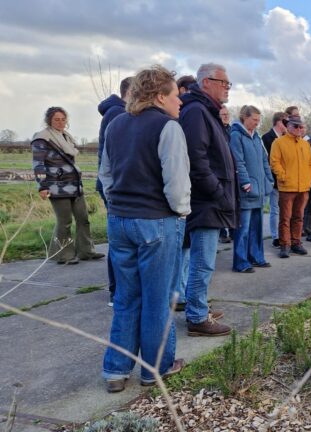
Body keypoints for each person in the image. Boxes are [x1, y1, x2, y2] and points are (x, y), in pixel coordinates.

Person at [99, 65, 189, 393]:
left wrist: (118, 206)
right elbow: (176, 182)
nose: (180, 102)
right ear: (159, 96)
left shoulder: (116, 124)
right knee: (158, 298)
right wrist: (180, 212)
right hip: (156, 220)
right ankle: (156, 369)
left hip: (119, 220)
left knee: (126, 297)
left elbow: (105, 175)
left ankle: (115, 370)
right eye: (175, 96)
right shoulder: (168, 127)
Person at [178, 63, 235, 337]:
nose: (227, 87)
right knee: (203, 261)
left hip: (210, 200)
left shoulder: (207, 112)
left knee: (201, 260)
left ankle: (198, 307)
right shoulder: (196, 111)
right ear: (205, 82)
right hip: (205, 202)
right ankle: (198, 317)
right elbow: (197, 161)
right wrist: (218, 192)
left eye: (228, 83)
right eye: (223, 82)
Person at [32, 107, 104, 265]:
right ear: (49, 120)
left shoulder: (67, 137)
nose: (60, 122)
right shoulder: (42, 138)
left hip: (75, 185)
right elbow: (38, 165)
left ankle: (86, 251)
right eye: (56, 119)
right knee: (64, 222)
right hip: (56, 187)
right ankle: (64, 255)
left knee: (83, 219)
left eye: (63, 119)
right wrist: (42, 186)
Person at [97, 76, 132, 306]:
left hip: (116, 185)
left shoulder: (116, 112)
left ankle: (119, 290)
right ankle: (116, 290)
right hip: (116, 187)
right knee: (119, 244)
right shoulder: (117, 114)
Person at [229, 105, 273, 272]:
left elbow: (264, 161)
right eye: (254, 119)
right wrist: (246, 183)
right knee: (244, 229)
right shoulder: (236, 136)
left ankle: (256, 257)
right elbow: (238, 161)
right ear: (244, 117)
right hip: (247, 191)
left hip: (260, 191)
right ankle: (240, 262)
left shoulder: (257, 138)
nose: (257, 123)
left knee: (257, 228)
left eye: (258, 120)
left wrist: (270, 180)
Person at [270, 115, 311, 258]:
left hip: (303, 188)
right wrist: (283, 176)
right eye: (295, 126)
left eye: (301, 127)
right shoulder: (278, 143)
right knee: (285, 218)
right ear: (288, 127)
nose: (299, 129)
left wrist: (310, 178)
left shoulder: (305, 144)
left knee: (299, 217)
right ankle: (284, 245)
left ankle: (296, 243)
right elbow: (274, 162)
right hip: (287, 188)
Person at [262, 111, 287, 248]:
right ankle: (275, 236)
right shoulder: (266, 138)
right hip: (273, 178)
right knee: (274, 209)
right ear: (279, 122)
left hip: (285, 180)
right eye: (285, 122)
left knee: (283, 209)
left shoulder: (285, 138)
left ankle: (283, 234)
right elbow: (267, 160)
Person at [219, 106, 233, 244]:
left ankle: (231, 229)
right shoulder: (218, 129)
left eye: (227, 114)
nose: (225, 116)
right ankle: (222, 232)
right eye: (223, 114)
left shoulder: (231, 130)